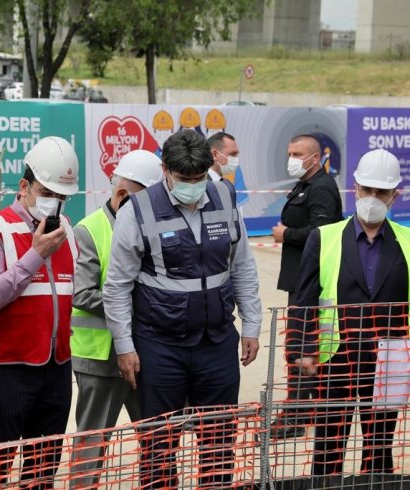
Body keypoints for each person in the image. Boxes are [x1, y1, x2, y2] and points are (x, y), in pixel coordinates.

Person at [103, 130, 261, 488]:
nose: (193, 186)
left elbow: (242, 266)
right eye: (185, 179)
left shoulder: (224, 197)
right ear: (165, 171)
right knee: (159, 446)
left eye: (200, 178)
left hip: (217, 342)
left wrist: (251, 324)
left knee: (219, 443)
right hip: (159, 346)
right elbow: (117, 286)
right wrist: (124, 347)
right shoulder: (138, 212)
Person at [288, 148, 408, 476]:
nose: (372, 197)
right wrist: (302, 350)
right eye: (367, 189)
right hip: (334, 357)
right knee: (329, 443)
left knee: (379, 444)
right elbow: (304, 300)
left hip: (389, 361)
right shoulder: (323, 237)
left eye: (381, 192)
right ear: (355, 187)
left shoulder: (408, 241)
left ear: (394, 195)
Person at [0, 136, 79, 489]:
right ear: (24, 186)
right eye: (47, 192)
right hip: (6, 369)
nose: (55, 203)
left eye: (63, 196)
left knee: (43, 471)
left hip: (57, 366)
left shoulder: (67, 230)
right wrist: (36, 255)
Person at [69, 149, 162, 488]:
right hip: (101, 359)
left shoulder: (148, 224)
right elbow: (81, 294)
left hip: (145, 353)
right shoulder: (89, 230)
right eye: (146, 199)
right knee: (92, 444)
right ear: (122, 194)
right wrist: (137, 306)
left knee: (157, 439)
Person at [271, 134, 343, 439]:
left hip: (312, 280)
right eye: (290, 153)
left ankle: (298, 414)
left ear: (315, 157)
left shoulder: (323, 189)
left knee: (303, 346)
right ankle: (300, 407)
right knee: (298, 346)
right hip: (299, 278)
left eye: (298, 153)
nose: (292, 159)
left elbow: (322, 232)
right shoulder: (305, 184)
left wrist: (287, 234)